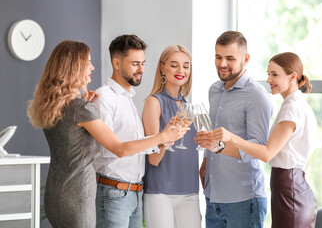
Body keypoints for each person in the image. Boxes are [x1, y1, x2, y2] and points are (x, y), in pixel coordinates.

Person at [27, 40, 187, 228]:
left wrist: (161, 141)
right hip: (80, 194)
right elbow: (118, 149)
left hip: (57, 192)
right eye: (87, 63)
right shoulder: (83, 106)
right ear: (73, 67)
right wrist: (162, 136)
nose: (92, 67)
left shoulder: (57, 107)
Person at [197, 52, 318, 228]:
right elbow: (304, 160)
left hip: (289, 192)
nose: (269, 80)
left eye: (275, 74)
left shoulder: (291, 108)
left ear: (292, 77)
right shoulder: (298, 105)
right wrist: (218, 147)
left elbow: (267, 153)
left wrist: (232, 137)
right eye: (268, 74)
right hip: (293, 188)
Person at [93, 35, 174, 228]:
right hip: (114, 193)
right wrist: (160, 137)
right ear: (116, 62)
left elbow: (132, 145)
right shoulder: (103, 98)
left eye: (143, 63)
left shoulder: (127, 99)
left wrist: (163, 141)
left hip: (135, 193)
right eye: (135, 63)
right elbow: (113, 149)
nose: (141, 69)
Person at [196, 31, 273, 228]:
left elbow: (258, 147)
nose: (222, 64)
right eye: (218, 57)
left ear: (245, 59)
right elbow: (215, 134)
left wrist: (218, 147)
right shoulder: (214, 90)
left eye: (230, 58)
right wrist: (206, 162)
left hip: (243, 198)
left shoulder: (256, 95)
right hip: (213, 195)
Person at [142, 45, 201, 228]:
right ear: (162, 67)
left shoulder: (189, 107)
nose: (181, 71)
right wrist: (167, 135)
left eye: (186, 66)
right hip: (160, 192)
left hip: (190, 191)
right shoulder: (154, 102)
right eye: (174, 65)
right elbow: (153, 158)